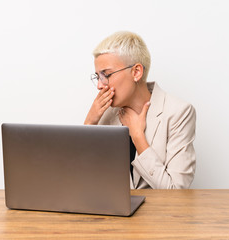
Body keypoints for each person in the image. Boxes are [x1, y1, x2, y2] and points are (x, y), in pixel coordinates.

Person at [84, 31, 196, 189]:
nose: (100, 85)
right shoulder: (104, 114)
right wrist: (89, 124)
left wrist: (138, 137)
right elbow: (82, 180)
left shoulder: (179, 112)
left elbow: (176, 191)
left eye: (106, 75)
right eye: (98, 76)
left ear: (136, 72)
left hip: (159, 213)